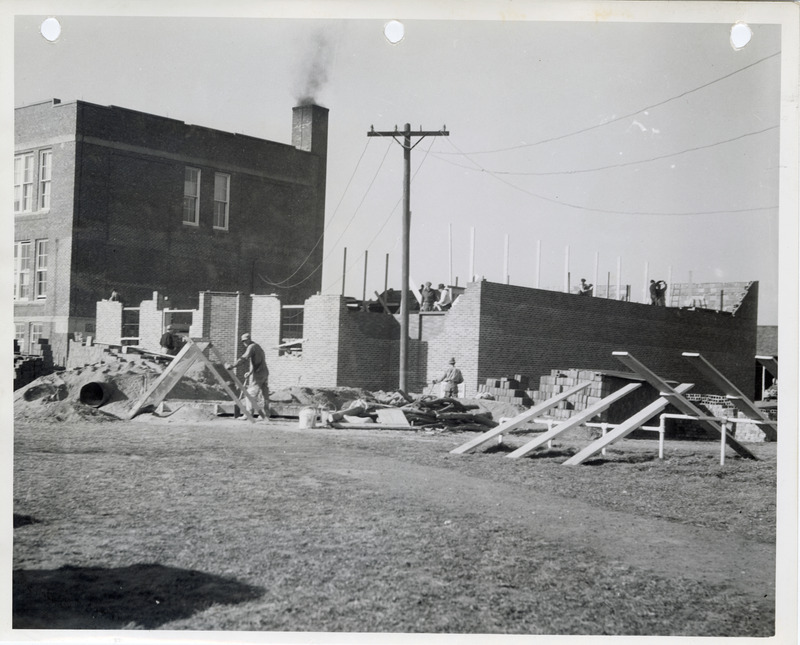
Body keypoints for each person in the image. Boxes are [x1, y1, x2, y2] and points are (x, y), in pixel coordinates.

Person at [225, 333, 270, 420]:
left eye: (245, 341)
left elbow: (244, 358)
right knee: (264, 394)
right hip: (264, 373)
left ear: (249, 339)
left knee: (250, 393)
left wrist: (232, 366)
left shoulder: (251, 347)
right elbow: (257, 362)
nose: (244, 343)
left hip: (259, 374)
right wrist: (250, 372)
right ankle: (265, 414)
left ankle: (248, 414)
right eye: (243, 341)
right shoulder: (258, 347)